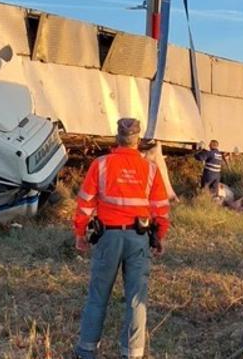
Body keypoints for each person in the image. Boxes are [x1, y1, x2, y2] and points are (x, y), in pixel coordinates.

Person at [73, 118, 170, 359]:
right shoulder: (150, 169)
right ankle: (133, 354)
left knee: (98, 296)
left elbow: (85, 202)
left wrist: (80, 233)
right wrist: (159, 236)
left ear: (118, 137)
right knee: (136, 299)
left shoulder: (101, 164)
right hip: (138, 239)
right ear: (138, 140)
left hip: (108, 237)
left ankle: (86, 351)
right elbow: (161, 208)